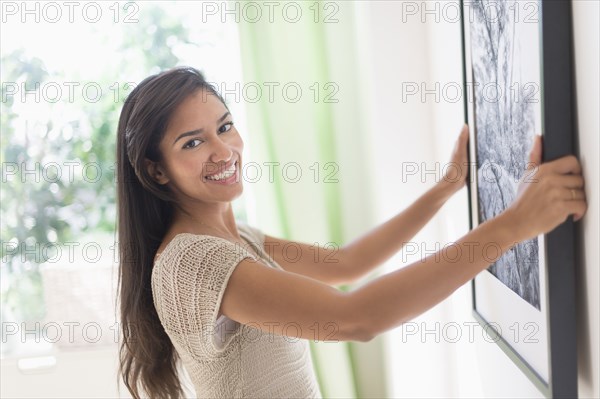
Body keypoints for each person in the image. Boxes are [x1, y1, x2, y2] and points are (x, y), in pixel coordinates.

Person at [115, 66, 587, 399]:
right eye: (193, 142)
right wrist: (512, 225)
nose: (224, 151)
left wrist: (446, 187)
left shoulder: (241, 241)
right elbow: (355, 318)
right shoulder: (192, 263)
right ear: (156, 171)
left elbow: (348, 264)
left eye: (225, 127)